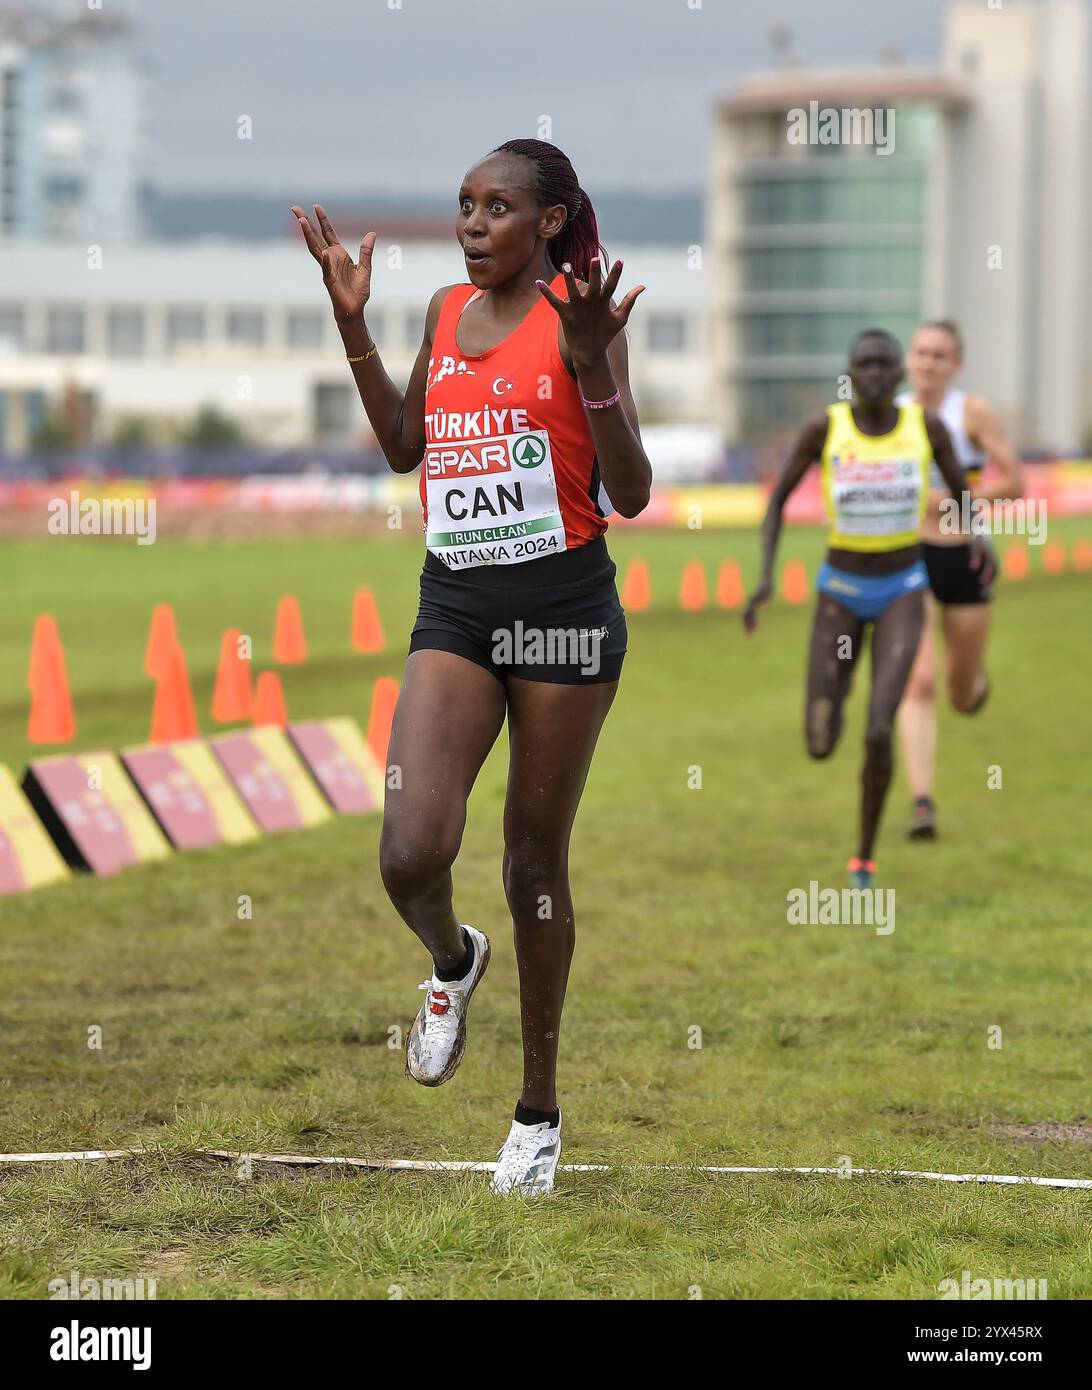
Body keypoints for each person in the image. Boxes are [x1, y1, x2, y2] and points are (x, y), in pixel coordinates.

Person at [291, 138, 651, 1196]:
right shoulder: (447, 314)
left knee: (533, 862)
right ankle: (453, 960)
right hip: (457, 602)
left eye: (497, 207)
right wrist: (352, 323)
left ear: (547, 223)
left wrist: (590, 367)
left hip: (564, 615)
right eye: (463, 205)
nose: (472, 222)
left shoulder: (583, 317)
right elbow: (405, 445)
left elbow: (629, 492)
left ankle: (536, 1113)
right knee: (410, 850)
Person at [743, 329, 991, 888]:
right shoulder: (824, 428)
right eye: (865, 365)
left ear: (898, 375)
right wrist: (764, 579)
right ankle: (836, 699)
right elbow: (776, 502)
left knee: (880, 729)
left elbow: (962, 489)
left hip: (904, 587)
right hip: (840, 593)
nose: (876, 373)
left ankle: (864, 856)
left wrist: (980, 538)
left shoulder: (923, 428)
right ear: (850, 373)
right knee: (821, 742)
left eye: (885, 364)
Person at [895, 321, 1021, 839]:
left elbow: (1014, 479)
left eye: (939, 355)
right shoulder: (892, 415)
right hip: (907, 557)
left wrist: (962, 501)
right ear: (910, 359)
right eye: (921, 352)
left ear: (956, 364)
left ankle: (973, 686)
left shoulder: (972, 413)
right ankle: (922, 803)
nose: (928, 362)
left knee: (960, 694)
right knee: (918, 679)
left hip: (964, 556)